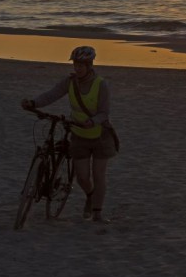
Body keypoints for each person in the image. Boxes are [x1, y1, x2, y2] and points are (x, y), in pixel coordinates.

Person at [21, 46, 115, 222]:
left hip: (101, 136)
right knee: (81, 177)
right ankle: (90, 195)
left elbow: (104, 113)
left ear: (90, 65)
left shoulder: (101, 84)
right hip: (79, 135)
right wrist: (34, 102)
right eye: (75, 64)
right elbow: (51, 95)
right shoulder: (69, 82)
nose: (77, 68)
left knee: (98, 175)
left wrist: (92, 121)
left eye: (81, 65)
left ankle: (97, 213)